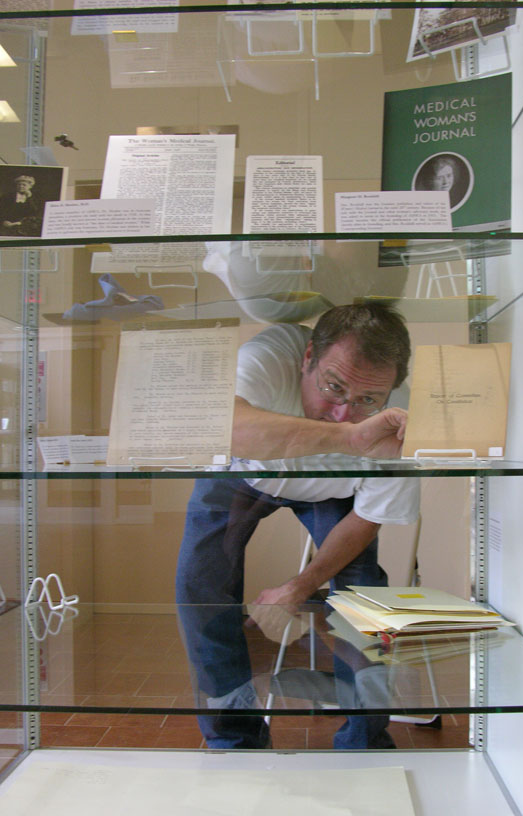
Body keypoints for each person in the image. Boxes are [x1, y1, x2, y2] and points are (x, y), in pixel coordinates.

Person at [175, 303, 420, 749]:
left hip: (333, 494)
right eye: (333, 387)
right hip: (243, 473)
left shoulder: (402, 420)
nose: (343, 412)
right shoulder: (270, 354)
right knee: (200, 584)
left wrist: (301, 584)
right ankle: (235, 739)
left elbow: (367, 516)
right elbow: (223, 427)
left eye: (368, 400)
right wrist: (353, 439)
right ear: (306, 358)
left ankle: (364, 742)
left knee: (364, 593)